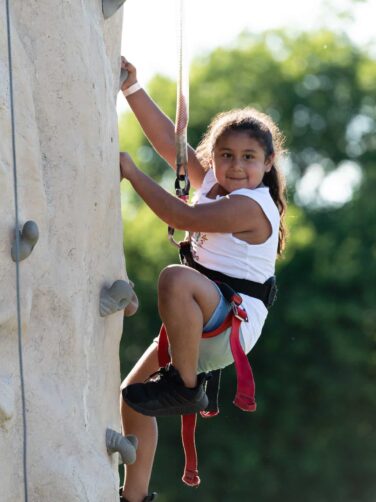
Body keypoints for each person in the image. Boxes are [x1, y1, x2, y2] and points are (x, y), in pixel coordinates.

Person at [118, 56, 287, 502]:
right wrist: (132, 90)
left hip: (232, 320)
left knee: (174, 278)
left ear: (268, 163)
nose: (235, 167)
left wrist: (131, 175)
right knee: (131, 396)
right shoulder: (215, 183)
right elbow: (169, 146)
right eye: (226, 156)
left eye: (248, 158)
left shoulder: (251, 206)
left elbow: (180, 214)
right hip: (201, 316)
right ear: (215, 158)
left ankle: (187, 387)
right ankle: (134, 496)